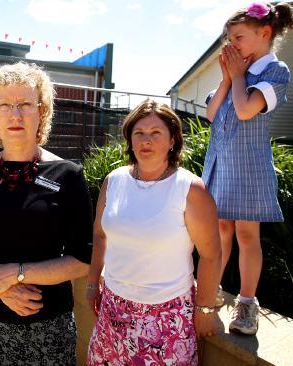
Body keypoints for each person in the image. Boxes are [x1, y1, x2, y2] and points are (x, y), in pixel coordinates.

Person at [0, 62, 94, 365]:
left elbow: (82, 260)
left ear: (42, 112)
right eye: (5, 105)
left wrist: (15, 273)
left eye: (25, 104)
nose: (15, 114)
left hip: (48, 326)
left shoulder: (68, 175)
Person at [86, 100, 221, 365]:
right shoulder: (114, 180)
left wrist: (204, 309)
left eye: (156, 133)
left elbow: (211, 255)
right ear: (130, 139)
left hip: (166, 317)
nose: (146, 140)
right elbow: (100, 235)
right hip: (112, 310)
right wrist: (92, 283)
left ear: (172, 141)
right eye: (139, 133)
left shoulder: (190, 189)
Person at [203, 2, 293, 335]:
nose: (232, 46)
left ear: (265, 33)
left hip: (249, 167)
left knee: (246, 234)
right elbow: (214, 114)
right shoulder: (235, 76)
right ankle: (210, 289)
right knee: (220, 232)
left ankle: (246, 304)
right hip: (221, 164)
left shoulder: (275, 71)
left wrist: (239, 76)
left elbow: (245, 111)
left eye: (239, 37)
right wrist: (228, 79)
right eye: (229, 39)